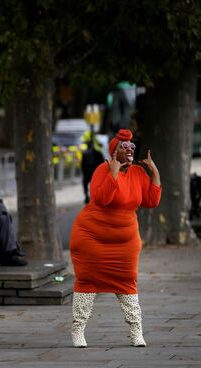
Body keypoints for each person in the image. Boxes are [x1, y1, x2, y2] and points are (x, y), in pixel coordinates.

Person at [69, 128, 162, 348]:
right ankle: (78, 330)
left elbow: (151, 201)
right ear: (114, 151)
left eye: (131, 146)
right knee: (86, 283)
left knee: (127, 283)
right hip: (92, 238)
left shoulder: (138, 173)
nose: (129, 150)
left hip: (125, 242)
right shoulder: (102, 169)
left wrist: (154, 173)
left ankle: (136, 331)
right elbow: (101, 199)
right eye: (124, 146)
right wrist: (113, 173)